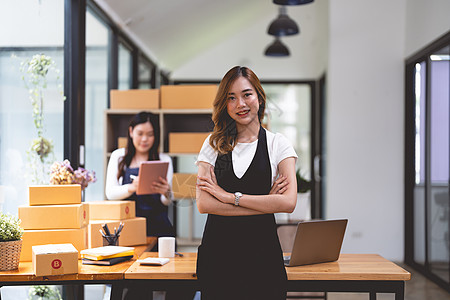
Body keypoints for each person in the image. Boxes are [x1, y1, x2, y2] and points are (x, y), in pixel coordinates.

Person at [196, 66, 298, 300]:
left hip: (263, 258)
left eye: (246, 94)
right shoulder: (212, 144)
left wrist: (229, 197)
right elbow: (204, 205)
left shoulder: (278, 145)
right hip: (218, 257)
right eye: (231, 98)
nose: (240, 103)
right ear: (224, 104)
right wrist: (265, 204)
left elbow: (288, 202)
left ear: (259, 99)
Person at [105, 111, 175, 239]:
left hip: (159, 229)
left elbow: (167, 201)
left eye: (150, 134)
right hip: (129, 228)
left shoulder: (164, 159)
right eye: (140, 133)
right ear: (131, 132)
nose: (144, 139)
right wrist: (131, 187)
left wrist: (166, 193)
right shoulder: (119, 157)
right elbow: (110, 193)